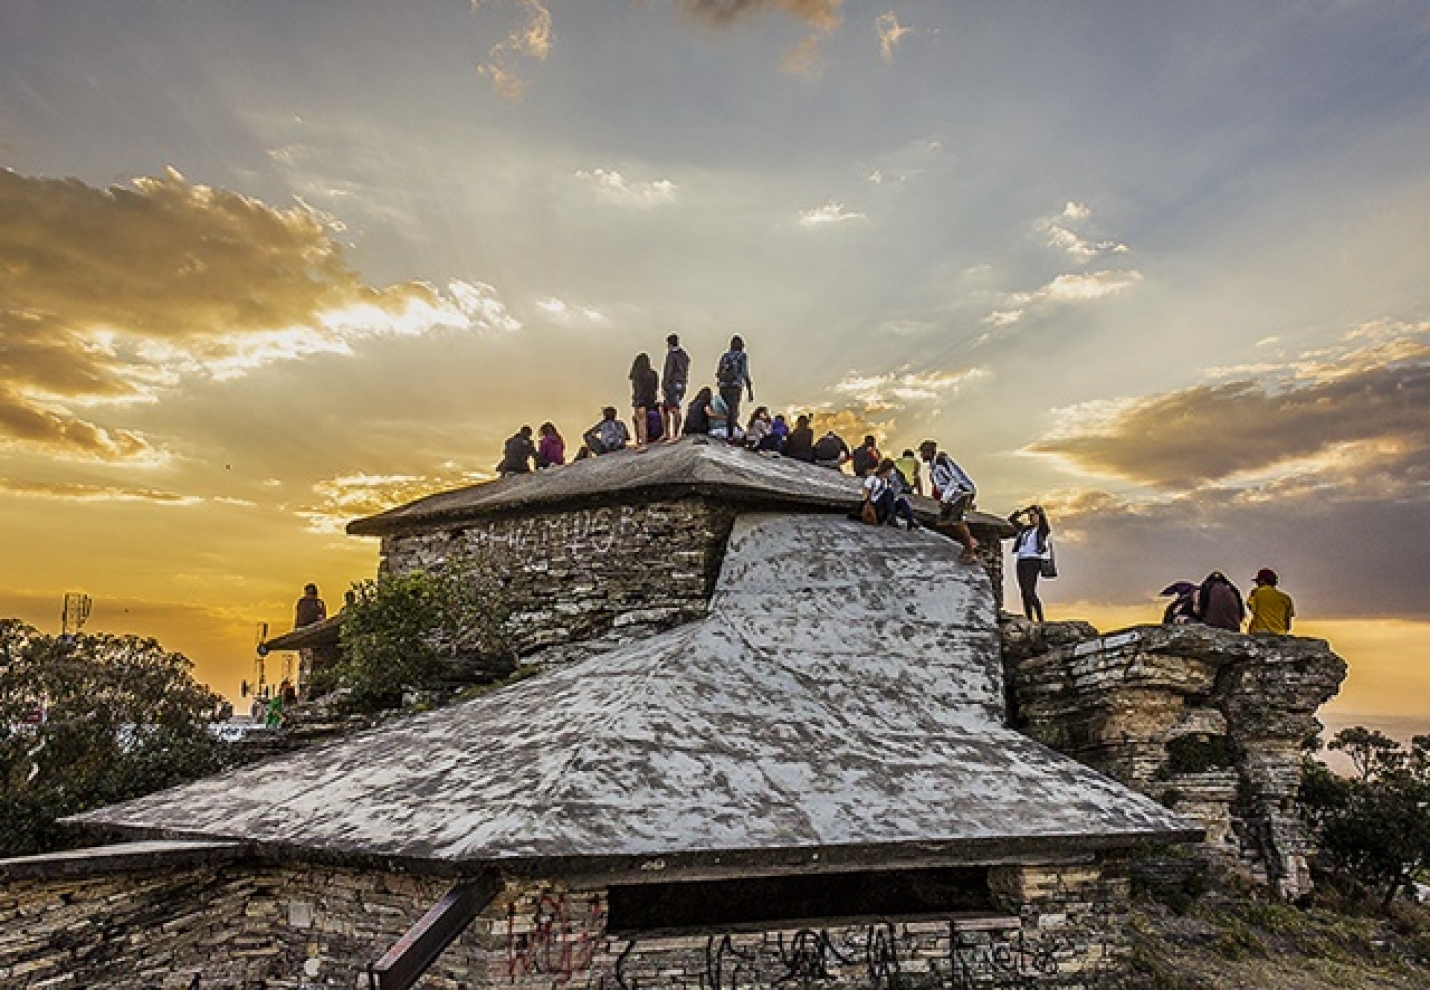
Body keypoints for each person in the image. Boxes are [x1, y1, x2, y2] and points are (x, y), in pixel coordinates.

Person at [918, 440, 979, 564]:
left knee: (956, 520)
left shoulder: (941, 462)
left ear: (929, 452)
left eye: (922, 453)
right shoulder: (934, 467)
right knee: (943, 521)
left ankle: (970, 551)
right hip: (953, 495)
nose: (921, 456)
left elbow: (954, 481)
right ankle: (969, 541)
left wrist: (945, 499)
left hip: (962, 491)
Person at [1009, 505, 1052, 622]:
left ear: (1039, 516)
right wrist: (1022, 512)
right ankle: (1029, 619)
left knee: (1030, 591)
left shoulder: (1042, 530)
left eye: (1034, 515)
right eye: (1030, 516)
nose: (1031, 518)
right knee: (1023, 591)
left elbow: (1046, 526)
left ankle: (1040, 618)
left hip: (1033, 561)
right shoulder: (1025, 530)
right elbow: (1011, 520)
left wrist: (1039, 512)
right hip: (1021, 560)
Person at [715, 335, 754, 436]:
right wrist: (750, 390)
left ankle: (721, 430)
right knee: (733, 410)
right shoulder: (742, 356)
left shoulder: (725, 356)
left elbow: (718, 372)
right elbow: (745, 373)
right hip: (735, 386)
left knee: (724, 409)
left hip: (723, 386)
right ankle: (730, 434)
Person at [864, 459, 918, 530]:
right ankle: (892, 518)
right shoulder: (872, 479)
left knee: (901, 500)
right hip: (875, 507)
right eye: (891, 471)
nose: (892, 473)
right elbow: (865, 495)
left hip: (885, 508)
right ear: (887, 470)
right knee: (888, 492)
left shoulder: (886, 481)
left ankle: (910, 520)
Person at [1246, 568, 1295, 634]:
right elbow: (1288, 625)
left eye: (1257, 581)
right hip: (1280, 634)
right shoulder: (1286, 598)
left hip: (1259, 634)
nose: (1256, 584)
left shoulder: (1256, 593)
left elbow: (1251, 607)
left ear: (1262, 581)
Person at [661, 333, 690, 441]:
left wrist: (664, 385)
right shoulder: (684, 355)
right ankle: (668, 433)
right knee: (665, 408)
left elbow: (668, 370)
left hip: (672, 383)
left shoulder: (671, 355)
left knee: (673, 408)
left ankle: (674, 434)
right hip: (681, 383)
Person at [629, 353, 660, 447]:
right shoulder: (653, 374)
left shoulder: (637, 374)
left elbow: (637, 389)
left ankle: (641, 443)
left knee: (640, 422)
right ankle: (643, 442)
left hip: (639, 400)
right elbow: (656, 387)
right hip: (650, 400)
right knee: (644, 421)